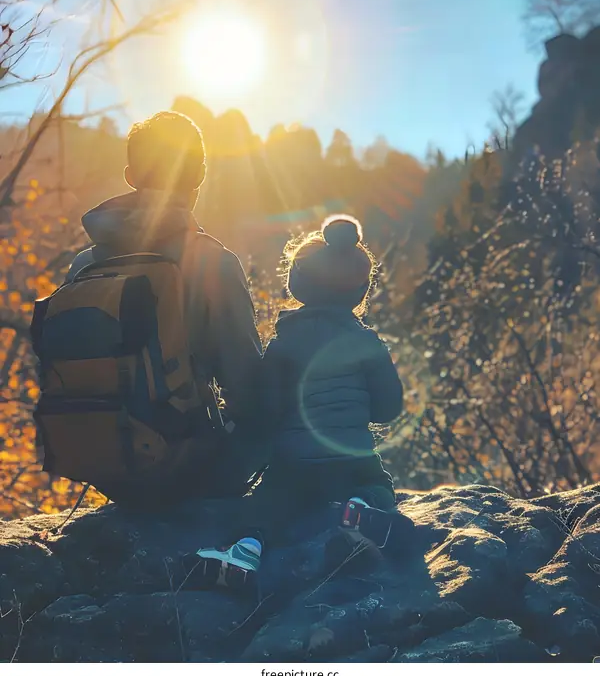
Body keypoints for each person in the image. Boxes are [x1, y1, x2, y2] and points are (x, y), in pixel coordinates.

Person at [64, 110, 264, 499]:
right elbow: (247, 387)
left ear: (130, 176)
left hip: (104, 464)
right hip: (189, 465)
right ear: (200, 176)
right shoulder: (213, 262)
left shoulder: (83, 264)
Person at [192, 214, 403, 580]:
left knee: (268, 506)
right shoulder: (366, 342)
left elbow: (266, 409)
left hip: (293, 465)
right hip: (353, 461)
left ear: (297, 283)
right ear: (360, 290)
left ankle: (245, 550)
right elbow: (389, 408)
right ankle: (360, 509)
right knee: (379, 487)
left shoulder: (283, 343)